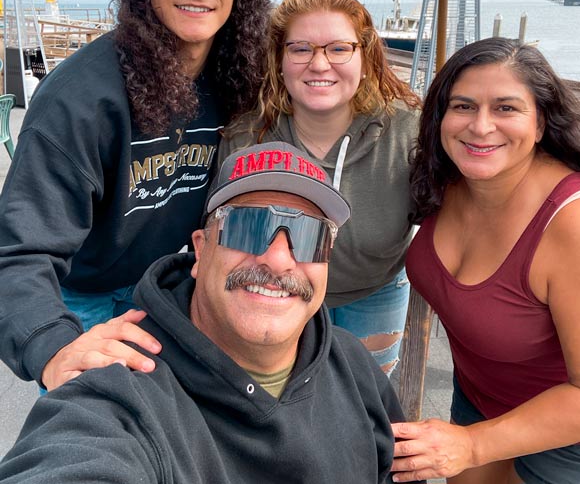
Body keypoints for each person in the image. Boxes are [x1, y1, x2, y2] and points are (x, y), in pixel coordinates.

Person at [0, 142, 411, 484]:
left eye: (308, 236)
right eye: (249, 226)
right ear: (200, 249)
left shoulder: (355, 368)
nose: (278, 259)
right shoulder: (124, 393)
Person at [0, 0, 270, 391]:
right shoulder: (78, 99)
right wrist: (52, 345)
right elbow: (19, 250)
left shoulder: (241, 77)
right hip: (84, 297)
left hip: (173, 287)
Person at [390, 37, 580, 484]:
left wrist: (472, 445)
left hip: (565, 435)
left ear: (540, 124)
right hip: (476, 399)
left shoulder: (569, 224)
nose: (480, 126)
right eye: (463, 106)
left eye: (506, 108)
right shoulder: (448, 179)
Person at [218, 0, 421, 375]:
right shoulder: (247, 138)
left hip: (372, 294)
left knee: (364, 404)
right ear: (279, 59)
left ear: (366, 58)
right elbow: (217, 234)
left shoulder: (409, 133)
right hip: (272, 290)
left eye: (339, 48)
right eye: (301, 48)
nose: (320, 63)